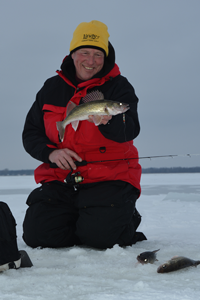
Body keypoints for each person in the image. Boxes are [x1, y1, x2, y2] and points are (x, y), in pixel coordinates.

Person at [22, 20, 146, 249]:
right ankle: (85, 219)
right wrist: (51, 154)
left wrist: (108, 123)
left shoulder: (119, 88)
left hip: (109, 177)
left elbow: (131, 130)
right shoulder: (51, 88)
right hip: (62, 178)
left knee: (100, 240)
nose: (90, 61)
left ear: (106, 57)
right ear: (72, 55)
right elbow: (31, 133)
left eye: (98, 54)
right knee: (39, 236)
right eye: (84, 52)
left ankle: (123, 217)